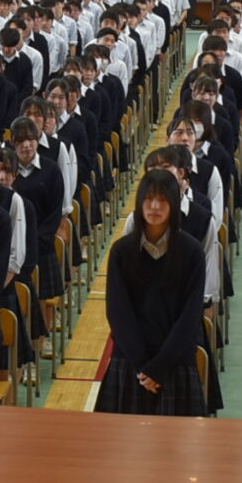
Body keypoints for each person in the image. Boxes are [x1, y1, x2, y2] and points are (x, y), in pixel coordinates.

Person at [94, 171, 208, 415]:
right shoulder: (122, 251)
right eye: (148, 198)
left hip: (175, 365)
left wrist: (159, 367)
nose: (155, 206)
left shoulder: (192, 252)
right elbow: (118, 313)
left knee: (178, 440)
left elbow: (190, 317)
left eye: (163, 200)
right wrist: (142, 367)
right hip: (130, 363)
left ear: (174, 204)